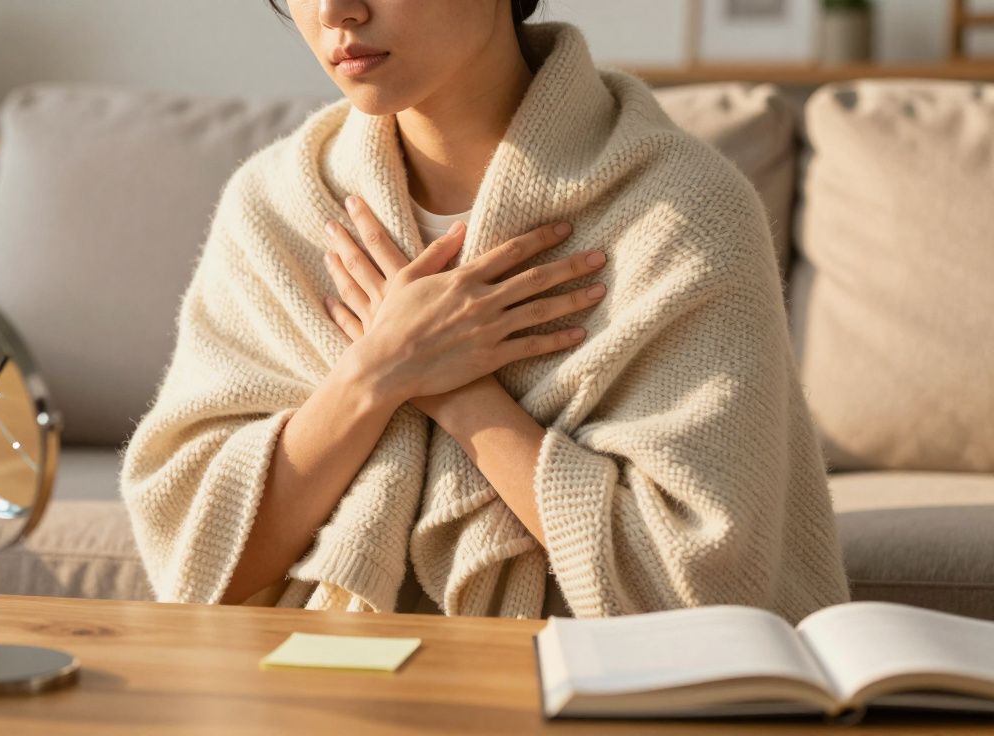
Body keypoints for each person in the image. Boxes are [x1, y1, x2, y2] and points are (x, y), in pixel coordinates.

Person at [119, 1, 853, 623]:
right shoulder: (275, 208)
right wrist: (377, 372)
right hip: (319, 690)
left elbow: (700, 591)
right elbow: (199, 561)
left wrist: (460, 393)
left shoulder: (683, 211)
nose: (334, 11)